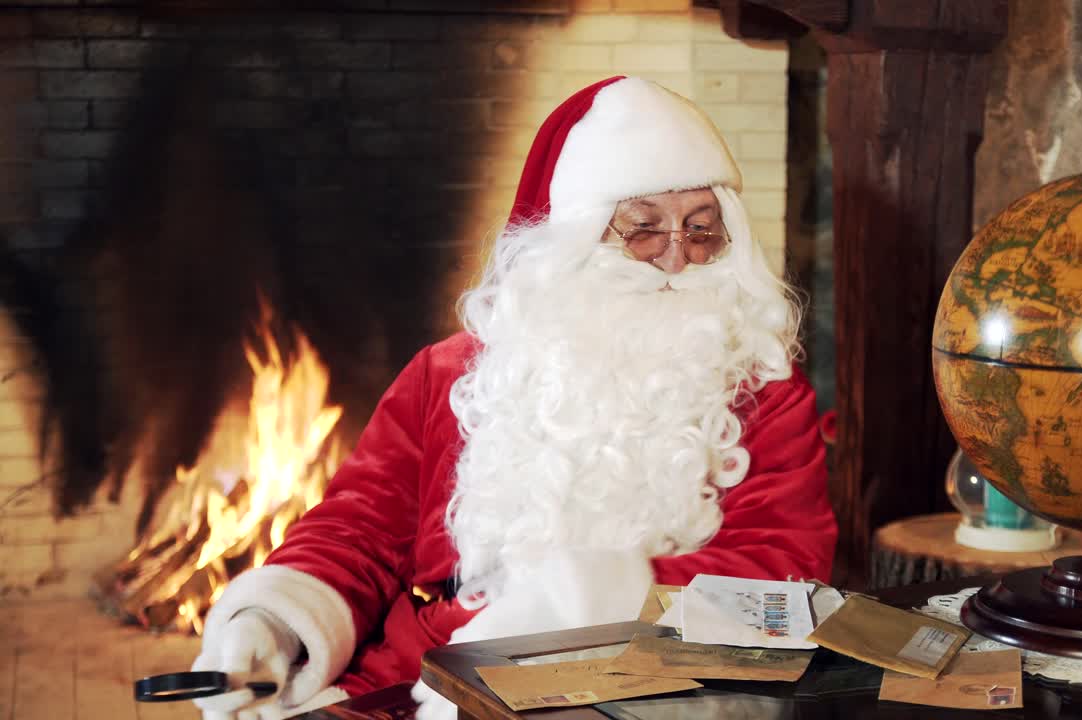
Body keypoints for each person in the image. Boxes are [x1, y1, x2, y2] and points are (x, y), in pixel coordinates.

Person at [190, 76, 838, 720]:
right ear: (574, 238)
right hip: (412, 679)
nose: (677, 259)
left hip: (637, 692)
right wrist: (274, 617)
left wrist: (586, 603)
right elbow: (360, 527)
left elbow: (777, 575)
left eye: (702, 230)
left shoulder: (766, 395)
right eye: (642, 229)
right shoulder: (449, 374)